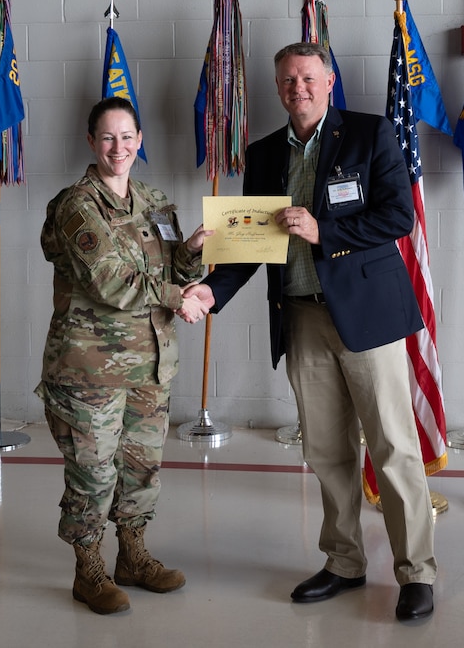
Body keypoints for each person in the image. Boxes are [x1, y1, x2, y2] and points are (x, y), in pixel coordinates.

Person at [180, 42, 437, 620]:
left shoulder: (371, 135)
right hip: (301, 318)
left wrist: (326, 231)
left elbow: (398, 215)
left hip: (367, 318)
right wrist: (209, 290)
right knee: (326, 451)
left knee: (393, 446)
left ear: (330, 80)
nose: (298, 87)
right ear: (278, 88)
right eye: (288, 79)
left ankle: (416, 571)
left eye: (309, 77)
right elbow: (250, 247)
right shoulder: (265, 152)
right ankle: (344, 562)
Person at [35, 97, 212, 615]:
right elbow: (109, 280)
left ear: (140, 139)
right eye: (108, 137)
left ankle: (132, 557)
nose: (120, 148)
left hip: (150, 365)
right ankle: (88, 570)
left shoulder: (155, 200)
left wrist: (194, 253)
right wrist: (177, 296)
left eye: (128, 137)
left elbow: (176, 270)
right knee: (93, 472)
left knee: (141, 469)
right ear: (92, 142)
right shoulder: (77, 206)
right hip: (89, 370)